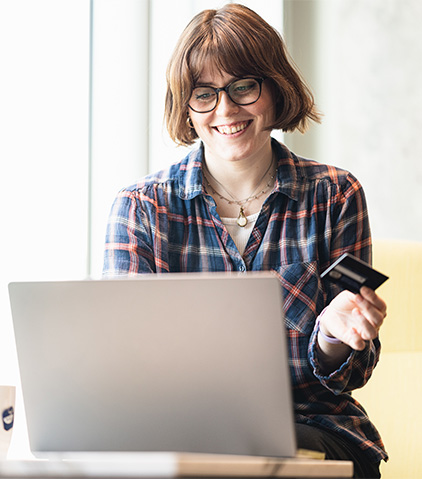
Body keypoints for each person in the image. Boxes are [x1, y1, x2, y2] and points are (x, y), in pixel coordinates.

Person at [103, 4, 387, 478]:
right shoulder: (141, 207)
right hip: (181, 431)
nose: (226, 109)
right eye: (204, 94)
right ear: (186, 106)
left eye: (243, 87)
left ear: (275, 89)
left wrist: (338, 336)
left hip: (315, 426)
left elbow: (351, 373)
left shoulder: (336, 195)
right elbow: (124, 365)